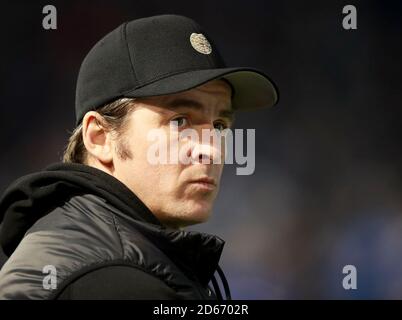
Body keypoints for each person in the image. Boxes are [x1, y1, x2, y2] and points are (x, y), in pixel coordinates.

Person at [0, 14, 278, 299]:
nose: (212, 149)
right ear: (100, 138)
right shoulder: (113, 280)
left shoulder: (79, 246)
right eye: (180, 121)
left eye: (219, 126)